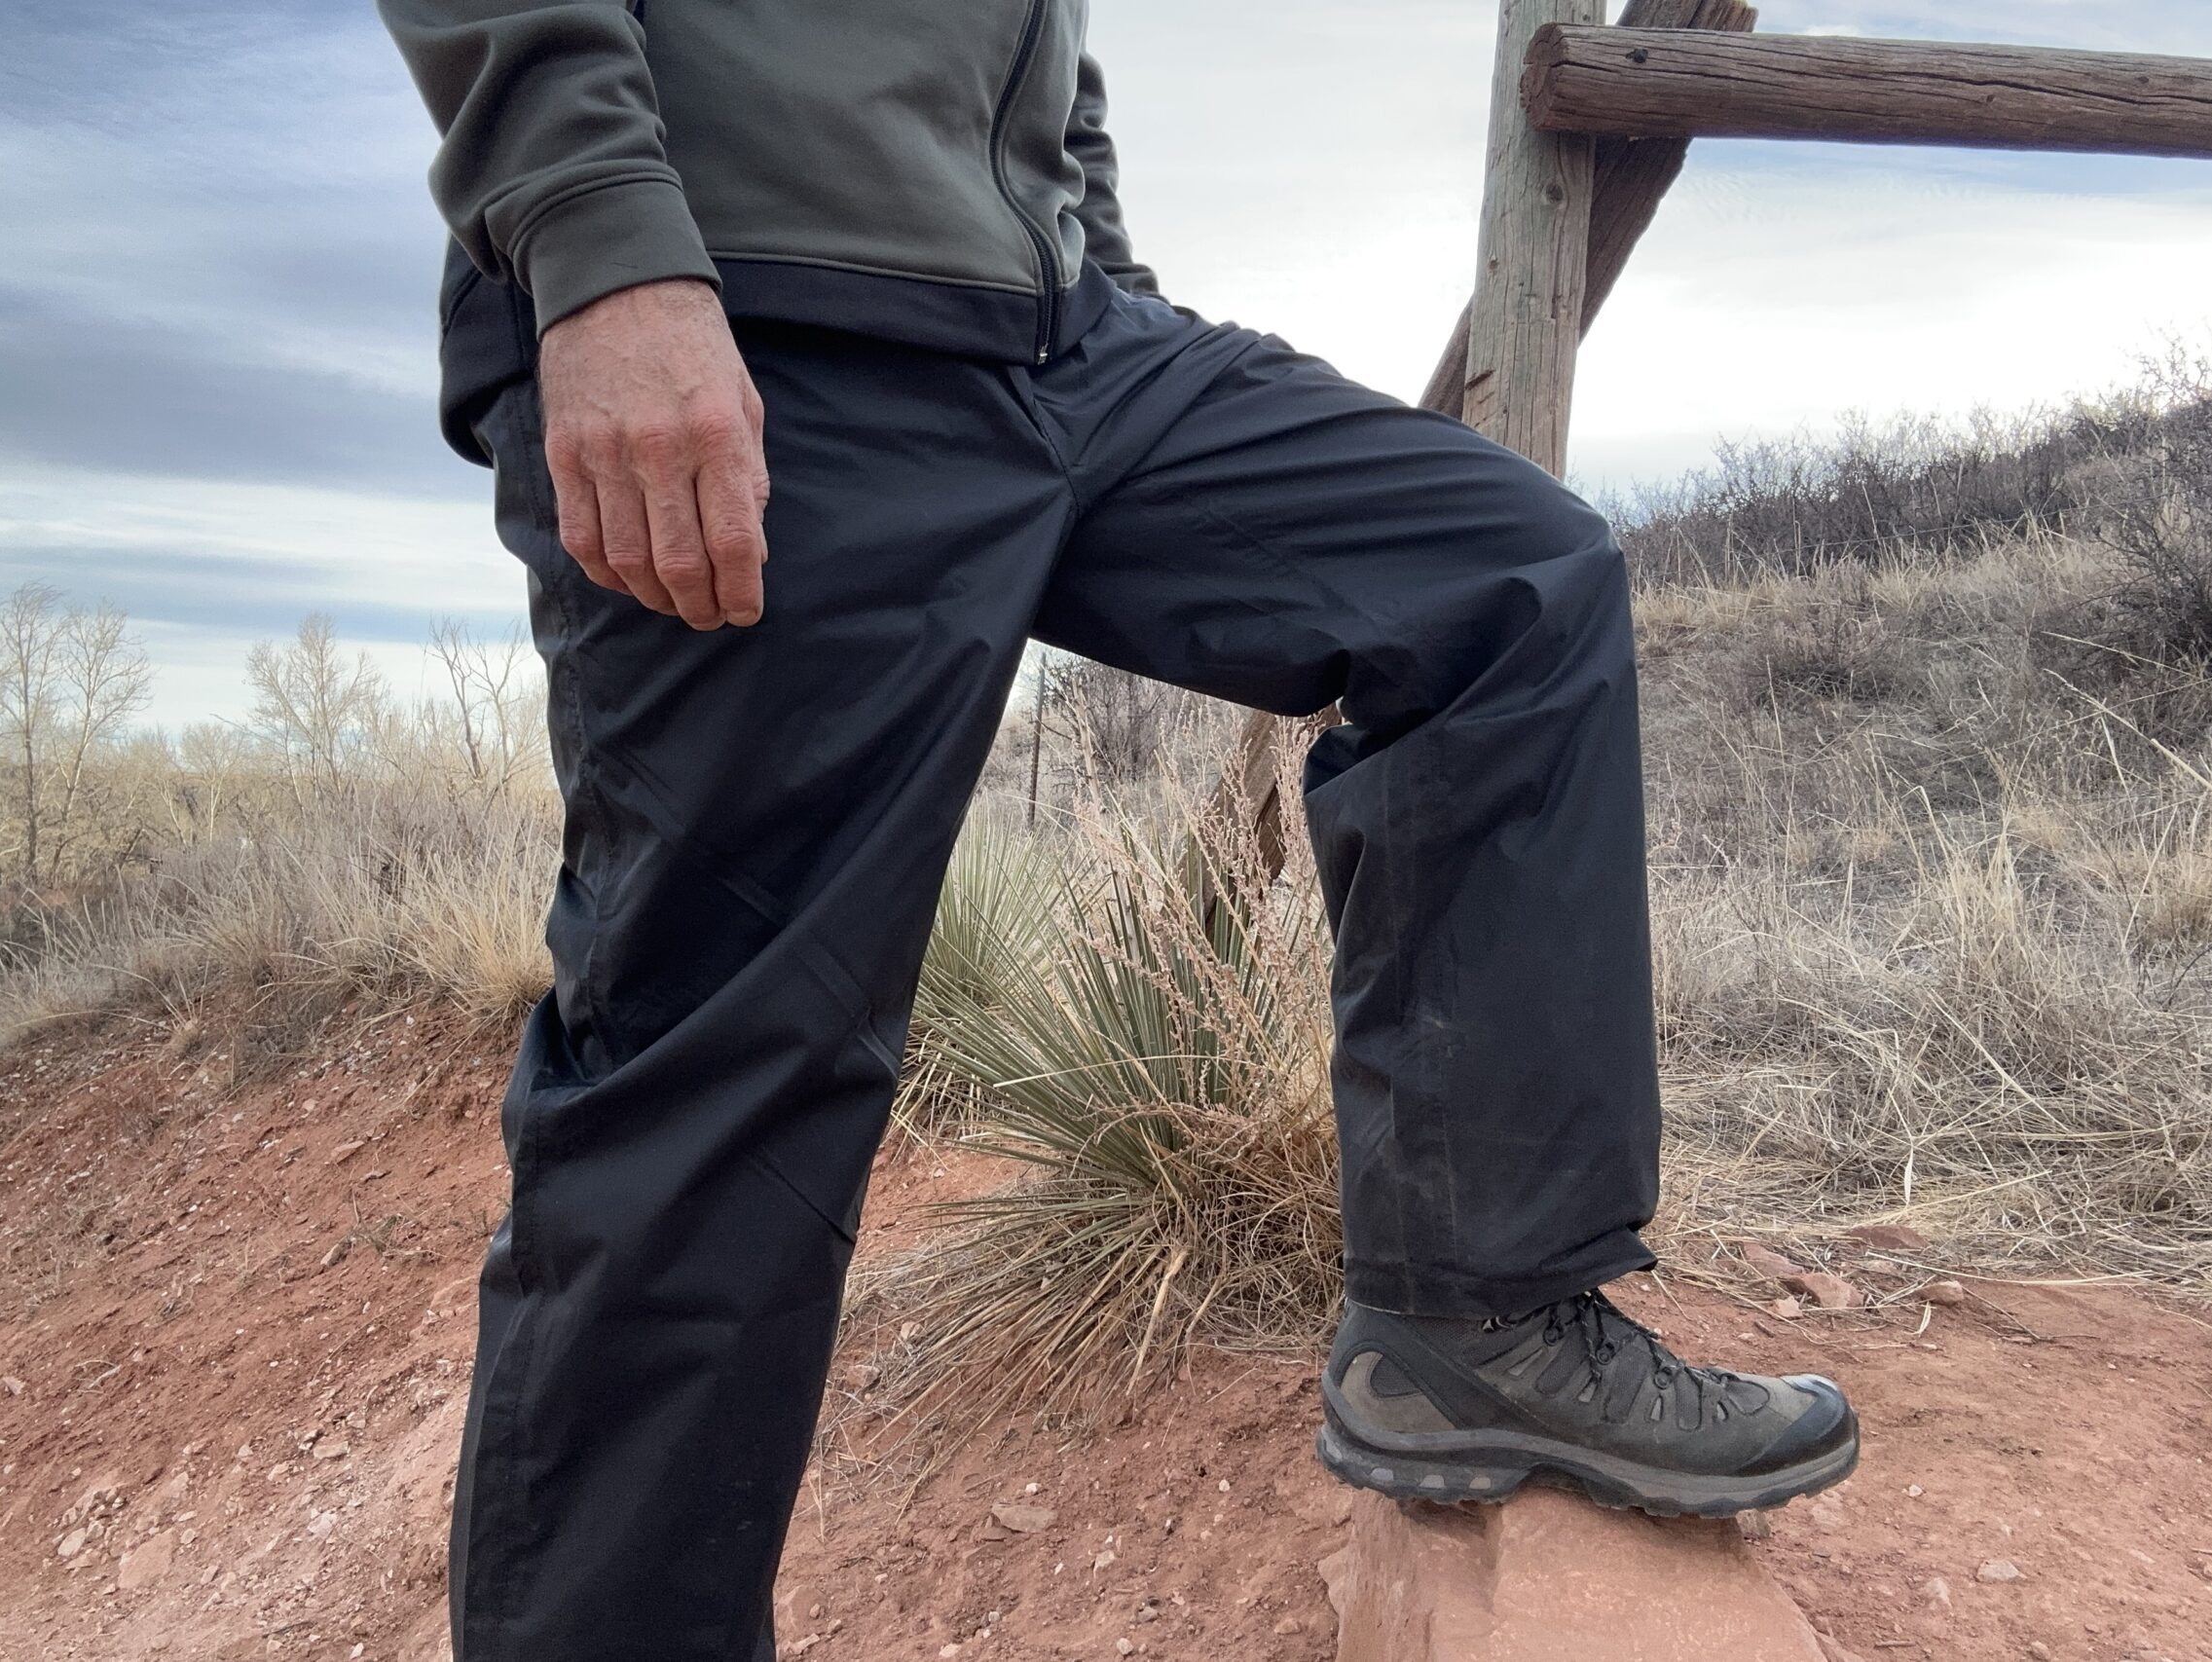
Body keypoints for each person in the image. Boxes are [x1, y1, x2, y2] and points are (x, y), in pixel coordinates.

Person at [376, 4, 1860, 1656]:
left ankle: (1478, 1325)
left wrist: (1098, 269)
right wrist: (599, 243)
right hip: (757, 311)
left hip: (1059, 339)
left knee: (1503, 586)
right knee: (723, 1063)